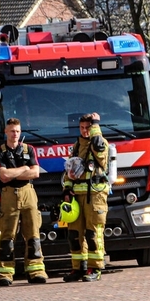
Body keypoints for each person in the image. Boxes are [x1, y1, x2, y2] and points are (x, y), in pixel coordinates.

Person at [0, 118, 47, 286]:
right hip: (8, 195)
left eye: (17, 131)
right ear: (6, 132)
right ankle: (4, 273)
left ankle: (36, 271)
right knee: (7, 235)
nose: (14, 134)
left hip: (28, 193)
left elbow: (36, 173)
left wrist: (14, 172)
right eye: (11, 131)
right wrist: (24, 168)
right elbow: (3, 176)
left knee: (33, 234)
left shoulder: (29, 149)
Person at [62, 112, 110, 282]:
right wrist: (67, 189)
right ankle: (78, 268)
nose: (84, 131)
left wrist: (96, 126)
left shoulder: (100, 142)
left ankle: (95, 268)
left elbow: (98, 147)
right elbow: (69, 171)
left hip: (95, 195)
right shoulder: (76, 146)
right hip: (77, 197)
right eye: (82, 128)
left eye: (88, 128)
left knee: (93, 233)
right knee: (74, 234)